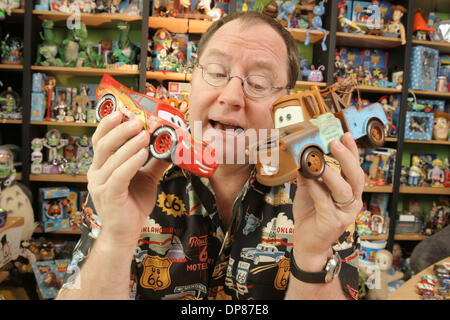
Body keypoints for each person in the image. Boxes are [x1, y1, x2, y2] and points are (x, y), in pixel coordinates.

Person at [56, 11, 363, 300]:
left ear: (286, 103)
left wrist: (313, 255)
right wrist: (115, 239)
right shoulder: (129, 167)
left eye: (258, 84)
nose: (230, 97)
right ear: (193, 81)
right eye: (216, 73)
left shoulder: (323, 186)